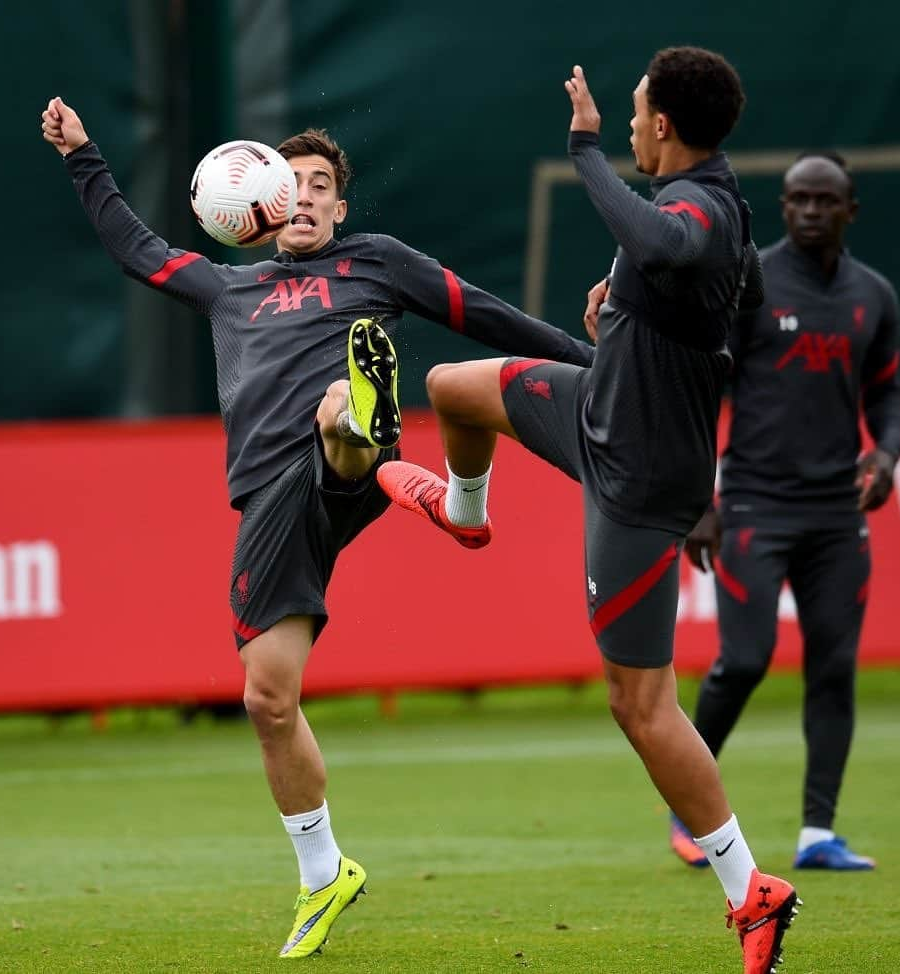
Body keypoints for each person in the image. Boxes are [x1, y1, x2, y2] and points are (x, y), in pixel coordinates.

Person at [40, 96, 593, 959]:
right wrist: (83, 155)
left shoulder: (377, 262)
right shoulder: (227, 286)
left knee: (338, 408)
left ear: (340, 207)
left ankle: (360, 424)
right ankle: (323, 872)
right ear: (259, 206)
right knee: (267, 697)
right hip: (268, 501)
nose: (302, 196)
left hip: (340, 467)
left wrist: (594, 363)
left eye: (319, 185)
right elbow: (136, 249)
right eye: (288, 183)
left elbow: (487, 315)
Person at [378, 50, 800, 973]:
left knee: (639, 702)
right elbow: (737, 293)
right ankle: (464, 511)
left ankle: (750, 889)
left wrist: (585, 152)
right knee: (451, 387)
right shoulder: (709, 202)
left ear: (660, 128)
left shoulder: (696, 205)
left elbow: (672, 245)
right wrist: (641, 312)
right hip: (599, 406)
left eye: (639, 112)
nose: (632, 122)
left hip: (642, 475)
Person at [667, 152, 900, 873]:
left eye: (823, 201)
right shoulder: (751, 282)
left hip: (837, 514)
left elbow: (887, 393)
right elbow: (704, 389)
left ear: (850, 210)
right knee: (744, 658)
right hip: (753, 506)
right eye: (797, 199)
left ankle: (817, 834)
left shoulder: (874, 296)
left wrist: (888, 454)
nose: (808, 211)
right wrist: (698, 501)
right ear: (784, 207)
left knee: (834, 666)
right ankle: (686, 806)